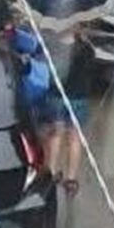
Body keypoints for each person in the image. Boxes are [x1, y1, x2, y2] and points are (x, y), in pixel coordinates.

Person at [34, 26, 91, 196]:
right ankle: (71, 180)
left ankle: (51, 173)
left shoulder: (51, 46)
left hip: (56, 97)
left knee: (55, 135)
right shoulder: (86, 48)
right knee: (74, 138)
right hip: (79, 98)